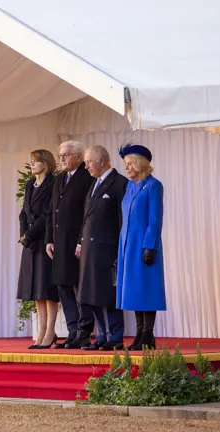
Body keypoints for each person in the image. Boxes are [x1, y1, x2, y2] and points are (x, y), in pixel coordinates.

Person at [74, 146, 128, 350]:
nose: (86, 166)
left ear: (102, 160)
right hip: (89, 249)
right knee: (91, 294)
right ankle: (103, 337)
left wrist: (120, 249)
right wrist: (80, 241)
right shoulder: (94, 184)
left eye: (89, 162)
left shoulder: (119, 183)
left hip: (107, 249)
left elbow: (122, 220)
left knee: (107, 294)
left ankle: (115, 337)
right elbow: (86, 217)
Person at [45, 140, 94, 349]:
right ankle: (73, 330)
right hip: (59, 243)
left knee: (79, 287)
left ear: (78, 156)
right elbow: (51, 210)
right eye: (60, 155)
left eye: (66, 155)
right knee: (64, 287)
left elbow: (88, 213)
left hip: (76, 243)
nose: (62, 159)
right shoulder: (59, 179)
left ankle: (84, 330)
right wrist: (49, 239)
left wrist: (81, 240)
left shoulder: (86, 177)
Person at [117, 143, 166, 350]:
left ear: (140, 163)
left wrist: (149, 246)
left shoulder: (153, 185)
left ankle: (148, 334)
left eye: (130, 164)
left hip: (144, 244)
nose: (127, 168)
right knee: (134, 291)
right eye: (125, 164)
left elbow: (155, 219)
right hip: (128, 244)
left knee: (146, 288)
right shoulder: (129, 187)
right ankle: (139, 334)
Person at [16, 150, 57, 349]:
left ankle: (50, 330)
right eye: (31, 161)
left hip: (44, 239)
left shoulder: (52, 183)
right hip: (30, 242)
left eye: (36, 161)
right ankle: (40, 330)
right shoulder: (30, 184)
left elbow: (47, 215)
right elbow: (24, 212)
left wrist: (30, 234)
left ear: (46, 164)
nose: (32, 165)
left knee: (47, 288)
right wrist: (23, 233)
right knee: (36, 290)